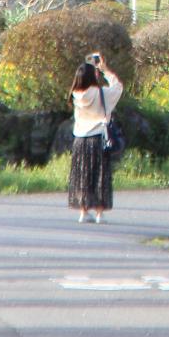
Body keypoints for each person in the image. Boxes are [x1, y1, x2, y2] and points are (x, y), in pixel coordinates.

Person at [67, 51, 123, 223]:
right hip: (98, 136)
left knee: (82, 175)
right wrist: (105, 70)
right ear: (94, 76)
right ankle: (99, 213)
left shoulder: (75, 95)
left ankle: (83, 212)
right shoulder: (101, 93)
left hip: (80, 139)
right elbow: (118, 87)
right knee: (100, 175)